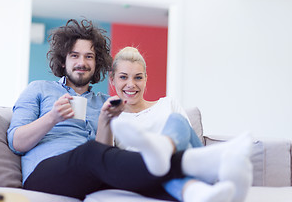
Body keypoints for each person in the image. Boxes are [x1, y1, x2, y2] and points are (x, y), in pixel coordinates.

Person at [7, 18, 223, 202]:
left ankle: (201, 187)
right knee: (90, 152)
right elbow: (16, 142)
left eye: (88, 56)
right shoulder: (38, 89)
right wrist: (52, 117)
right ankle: (197, 162)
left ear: (96, 63)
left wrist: (105, 120)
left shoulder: (105, 102)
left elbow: (104, 155)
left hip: (91, 177)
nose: (81, 62)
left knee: (151, 188)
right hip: (44, 175)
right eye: (74, 55)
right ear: (63, 61)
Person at [108, 46, 253, 202]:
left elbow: (189, 143)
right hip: (146, 174)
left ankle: (164, 148)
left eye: (138, 77)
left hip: (186, 162)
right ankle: (219, 177)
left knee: (177, 120)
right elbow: (108, 160)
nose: (131, 84)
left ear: (145, 79)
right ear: (112, 79)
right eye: (123, 77)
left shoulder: (167, 104)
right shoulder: (112, 118)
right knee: (163, 168)